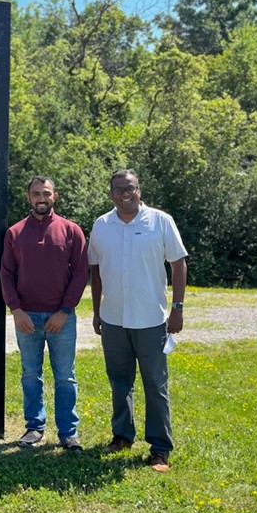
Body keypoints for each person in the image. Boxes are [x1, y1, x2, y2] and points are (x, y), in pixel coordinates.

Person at [88, 169, 187, 473]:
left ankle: (159, 448)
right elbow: (95, 270)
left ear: (139, 190)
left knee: (155, 384)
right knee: (119, 382)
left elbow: (179, 263)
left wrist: (178, 308)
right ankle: (122, 436)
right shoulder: (101, 225)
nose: (124, 193)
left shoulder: (160, 221)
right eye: (118, 189)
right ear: (111, 194)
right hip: (114, 319)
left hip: (151, 320)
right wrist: (96, 311)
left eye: (130, 188)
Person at [0, 176, 89, 451]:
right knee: (30, 374)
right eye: (36, 193)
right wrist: (16, 310)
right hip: (26, 317)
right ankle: (34, 427)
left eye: (46, 193)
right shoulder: (15, 232)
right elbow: (6, 273)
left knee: (65, 376)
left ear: (55, 196)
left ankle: (68, 432)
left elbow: (81, 273)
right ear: (28, 197)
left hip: (61, 318)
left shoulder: (71, 231)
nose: (41, 197)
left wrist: (64, 311)